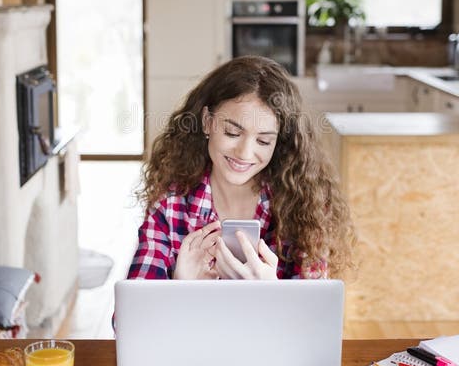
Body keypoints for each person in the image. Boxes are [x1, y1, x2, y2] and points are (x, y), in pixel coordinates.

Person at [127, 55, 355, 280]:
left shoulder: (307, 206)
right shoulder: (170, 204)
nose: (244, 153)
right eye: (232, 133)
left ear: (279, 143)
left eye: (264, 141)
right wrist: (180, 285)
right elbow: (131, 315)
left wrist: (272, 293)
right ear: (207, 122)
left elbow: (315, 314)